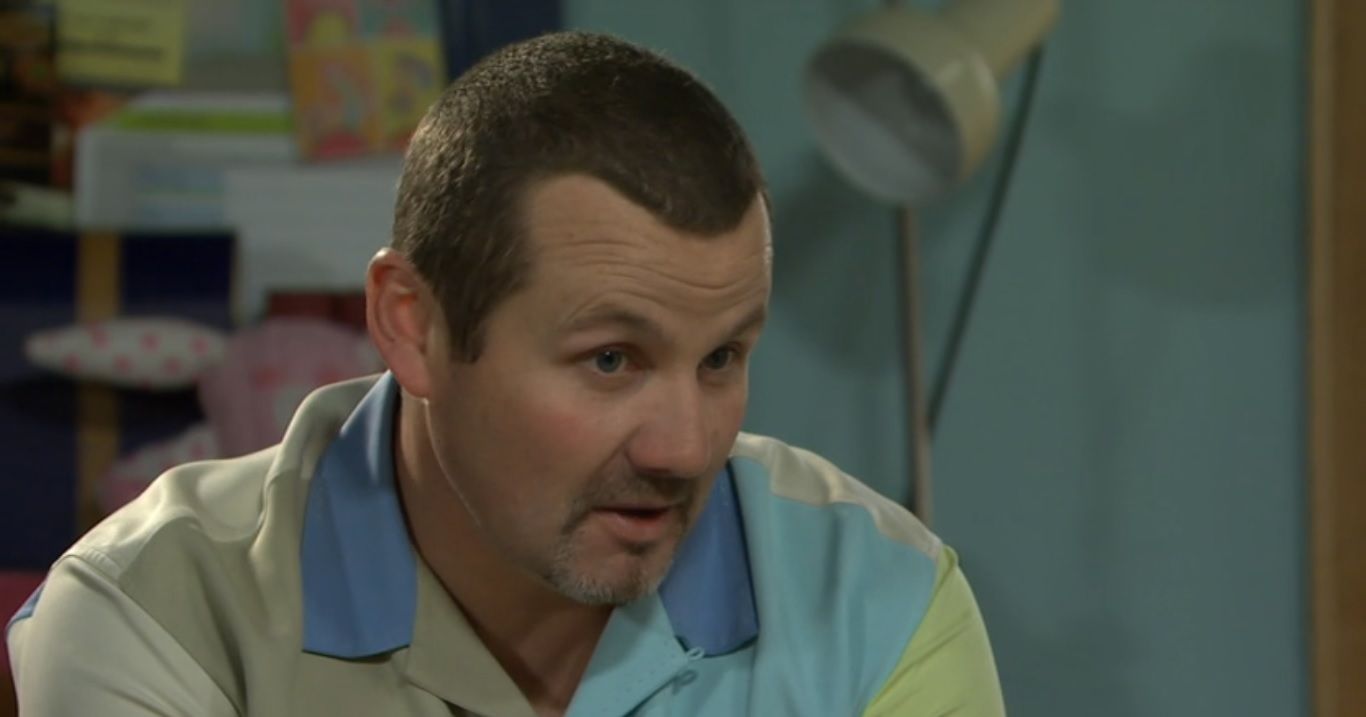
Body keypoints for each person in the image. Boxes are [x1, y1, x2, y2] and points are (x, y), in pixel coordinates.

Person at [7, 31, 1004, 716]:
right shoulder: (157, 619)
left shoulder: (880, 604)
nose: (686, 447)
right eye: (611, 359)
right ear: (414, 326)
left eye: (722, 358)